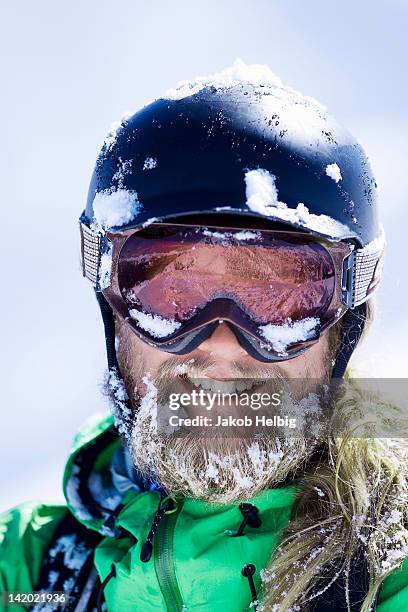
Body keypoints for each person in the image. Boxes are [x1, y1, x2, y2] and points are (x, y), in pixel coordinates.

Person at [1, 61, 406, 612]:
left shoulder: (393, 569)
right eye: (175, 293)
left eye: (277, 297)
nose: (220, 345)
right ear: (114, 313)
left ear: (343, 326)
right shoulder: (29, 573)